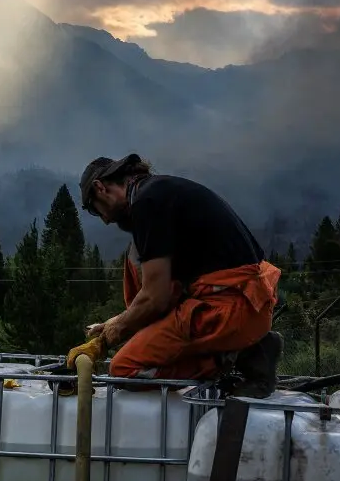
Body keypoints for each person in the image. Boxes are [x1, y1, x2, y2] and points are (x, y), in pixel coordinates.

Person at [64, 153, 283, 398]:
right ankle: (243, 347)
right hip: (251, 305)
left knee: (124, 368)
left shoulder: (147, 202)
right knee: (135, 258)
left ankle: (236, 355)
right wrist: (114, 324)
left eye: (96, 211)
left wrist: (108, 339)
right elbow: (166, 292)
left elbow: (155, 298)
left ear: (100, 187)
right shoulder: (160, 192)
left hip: (229, 310)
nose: (104, 220)